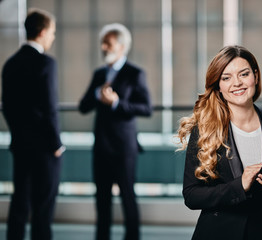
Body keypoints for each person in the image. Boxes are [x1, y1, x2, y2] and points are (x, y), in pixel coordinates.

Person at [177, 45, 262, 240]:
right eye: (226, 77)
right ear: (218, 85)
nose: (237, 83)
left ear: (255, 77)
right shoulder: (205, 129)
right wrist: (239, 185)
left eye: (244, 74)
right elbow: (191, 195)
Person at [79, 23, 152, 240]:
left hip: (124, 148)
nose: (103, 47)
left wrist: (116, 103)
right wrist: (96, 94)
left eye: (108, 43)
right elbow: (83, 107)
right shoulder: (99, 74)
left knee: (127, 197)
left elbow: (146, 108)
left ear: (121, 46)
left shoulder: (135, 73)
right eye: (103, 43)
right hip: (101, 146)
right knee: (101, 200)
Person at [1, 8, 65, 240]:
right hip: (44, 150)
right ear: (42, 31)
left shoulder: (10, 63)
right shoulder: (46, 63)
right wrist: (56, 143)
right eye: (52, 32)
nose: (53, 37)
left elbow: (7, 107)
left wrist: (19, 134)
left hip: (20, 145)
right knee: (43, 210)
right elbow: (49, 109)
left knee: (19, 206)